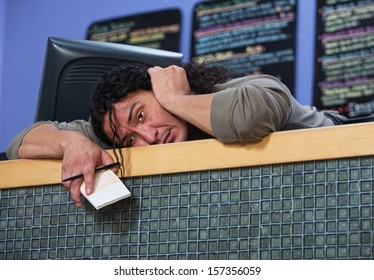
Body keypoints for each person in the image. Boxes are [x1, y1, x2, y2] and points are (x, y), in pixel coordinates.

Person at [6, 62, 346, 207]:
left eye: (141, 114)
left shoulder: (236, 91)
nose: (147, 138)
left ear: (160, 86)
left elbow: (248, 118)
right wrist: (72, 142)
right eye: (129, 141)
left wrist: (175, 100)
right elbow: (20, 143)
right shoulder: (126, 132)